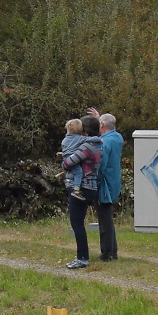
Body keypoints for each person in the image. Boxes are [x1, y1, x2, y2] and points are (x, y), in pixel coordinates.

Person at [61, 115, 103, 268]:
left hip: (81, 187)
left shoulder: (86, 147)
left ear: (85, 131)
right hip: (91, 186)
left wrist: (63, 161)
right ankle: (82, 256)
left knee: (77, 223)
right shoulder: (97, 145)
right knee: (78, 222)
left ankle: (82, 258)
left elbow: (69, 163)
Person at [95, 112, 123, 261]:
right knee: (108, 218)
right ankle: (113, 250)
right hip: (114, 182)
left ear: (101, 125)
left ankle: (107, 253)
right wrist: (100, 116)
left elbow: (101, 165)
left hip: (104, 185)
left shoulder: (104, 143)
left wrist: (96, 182)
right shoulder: (118, 137)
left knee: (104, 220)